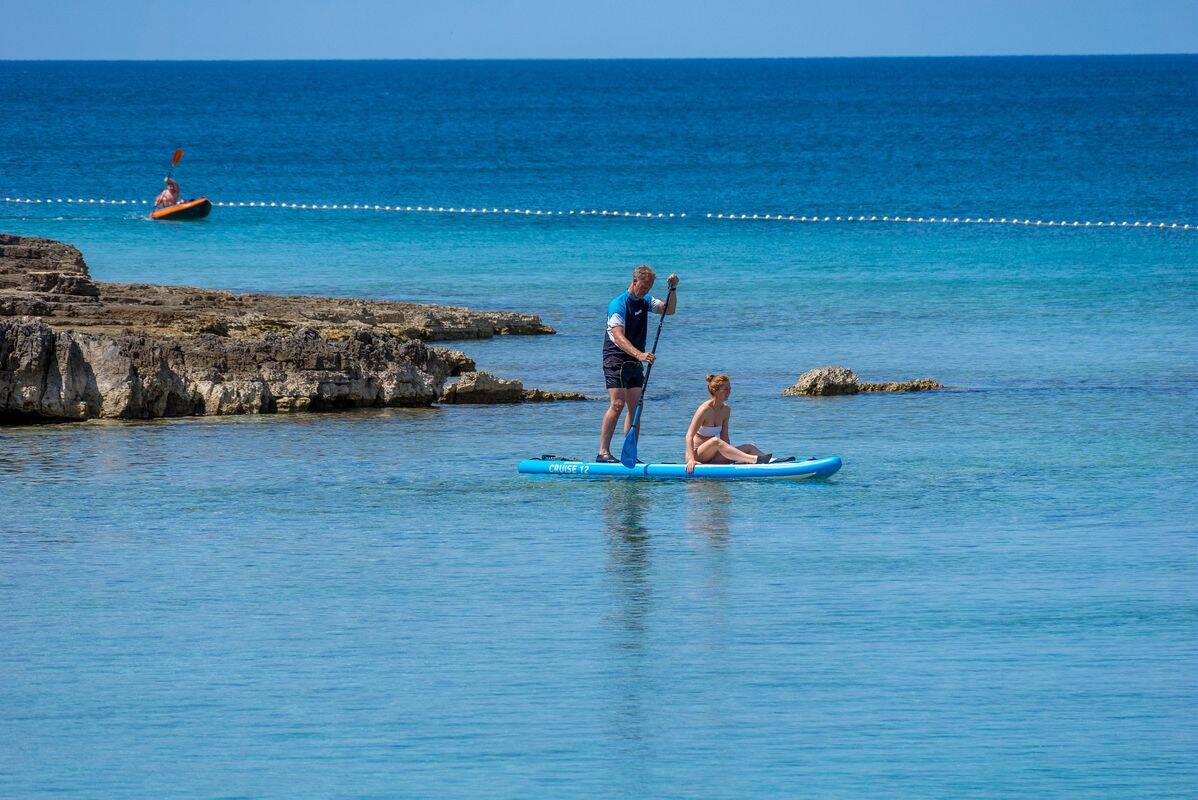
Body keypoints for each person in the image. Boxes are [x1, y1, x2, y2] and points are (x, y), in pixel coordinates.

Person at [596, 264, 679, 463]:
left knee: (635, 408)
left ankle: (629, 454)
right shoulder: (618, 304)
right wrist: (640, 354)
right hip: (615, 357)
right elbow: (618, 336)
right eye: (644, 286)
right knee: (617, 404)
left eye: (650, 287)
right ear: (635, 281)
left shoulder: (646, 301)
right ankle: (603, 452)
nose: (646, 291)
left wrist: (673, 290)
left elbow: (669, 310)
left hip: (635, 359)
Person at [684, 374, 793, 473]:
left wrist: (729, 456)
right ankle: (754, 460)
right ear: (715, 390)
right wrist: (691, 460)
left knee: (750, 447)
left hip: (714, 456)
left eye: (730, 389)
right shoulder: (704, 410)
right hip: (698, 456)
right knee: (715, 441)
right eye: (725, 389)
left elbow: (725, 437)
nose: (729, 392)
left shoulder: (726, 410)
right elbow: (689, 435)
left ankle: (772, 462)